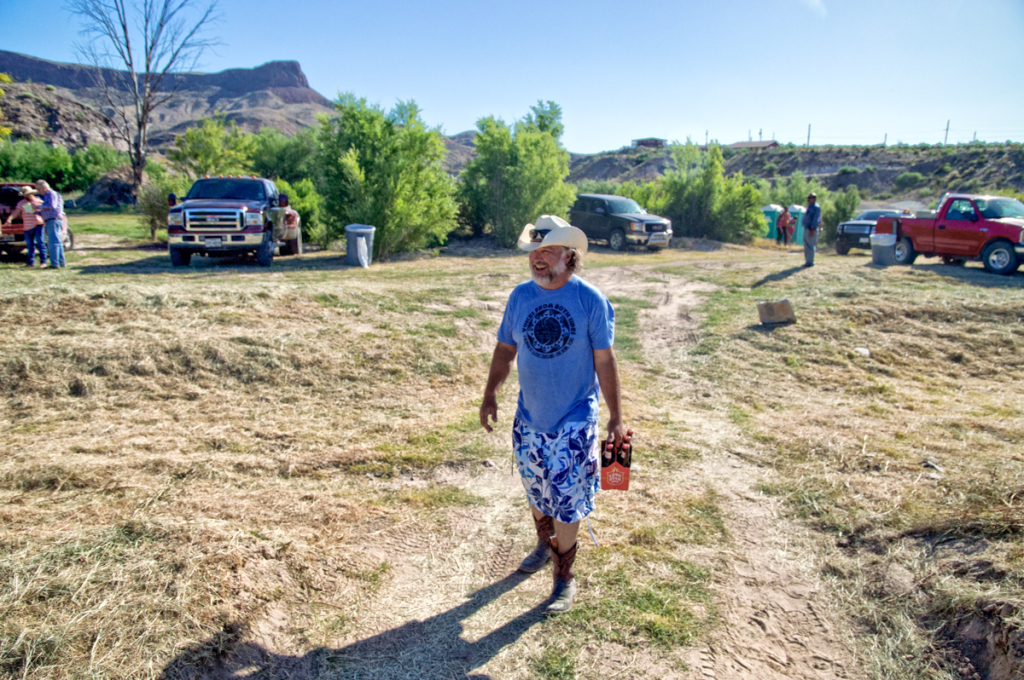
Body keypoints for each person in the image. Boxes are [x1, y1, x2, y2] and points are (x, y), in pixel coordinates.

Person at [479, 215, 626, 615]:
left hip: (575, 417)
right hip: (530, 417)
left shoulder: (589, 300)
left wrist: (615, 417)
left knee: (567, 498)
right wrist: (491, 393)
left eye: (547, 251)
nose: (537, 258)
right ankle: (546, 544)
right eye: (534, 251)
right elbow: (505, 350)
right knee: (536, 489)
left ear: (569, 256)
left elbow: (605, 359)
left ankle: (564, 575)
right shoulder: (521, 297)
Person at [1, 186, 46, 267]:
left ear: (31, 193)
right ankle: (30, 262)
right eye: (25, 195)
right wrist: (10, 218)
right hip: (27, 227)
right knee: (30, 245)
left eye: (27, 194)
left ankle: (43, 262)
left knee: (40, 244)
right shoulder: (22, 203)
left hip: (38, 225)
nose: (26, 196)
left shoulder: (39, 201)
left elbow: (41, 212)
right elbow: (16, 212)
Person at [35, 179, 66, 269]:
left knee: (53, 242)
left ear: (44, 187)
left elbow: (52, 205)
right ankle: (61, 262)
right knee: (57, 242)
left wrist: (38, 207)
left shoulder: (51, 194)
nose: (38, 191)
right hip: (51, 220)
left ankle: (55, 264)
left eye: (39, 189)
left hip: (53, 219)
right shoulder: (47, 196)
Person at [802, 193, 822, 266]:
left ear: (814, 199)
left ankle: (810, 262)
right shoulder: (809, 207)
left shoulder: (816, 207)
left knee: (810, 246)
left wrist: (812, 230)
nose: (808, 199)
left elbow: (816, 219)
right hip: (806, 228)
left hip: (811, 229)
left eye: (810, 197)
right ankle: (807, 261)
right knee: (806, 246)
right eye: (808, 197)